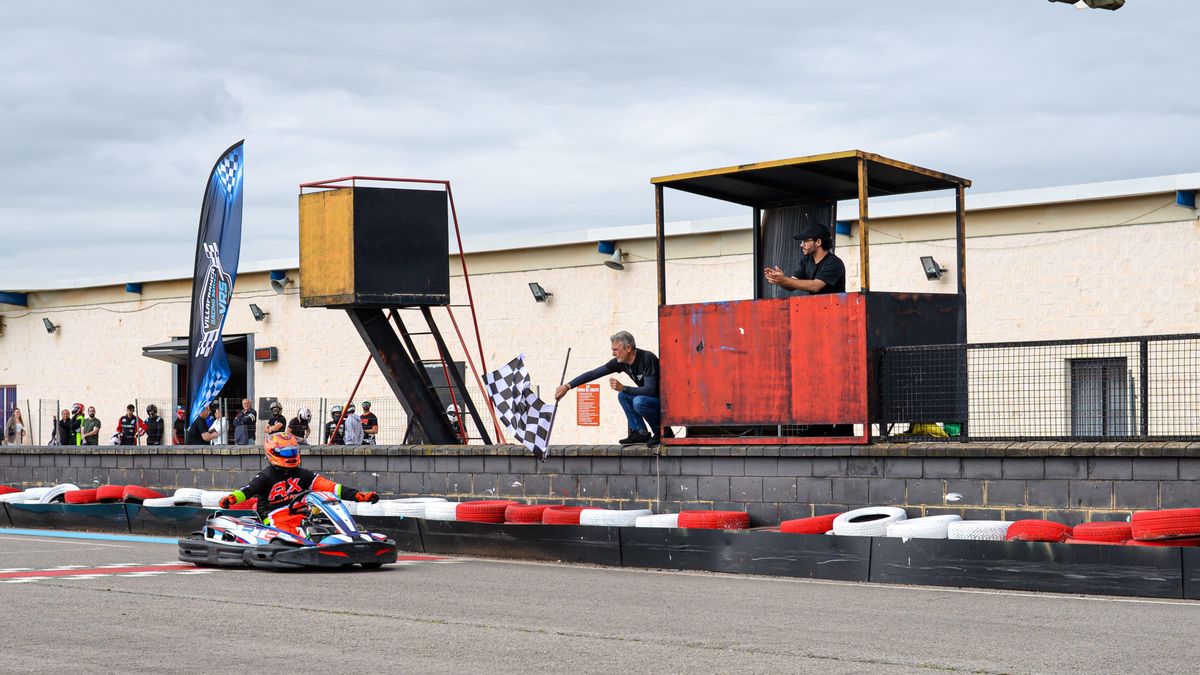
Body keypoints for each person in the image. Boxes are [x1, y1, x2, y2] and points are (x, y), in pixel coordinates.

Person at [217, 432, 378, 536]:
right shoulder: (266, 476)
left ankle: (347, 537)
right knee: (291, 535)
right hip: (273, 518)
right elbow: (247, 490)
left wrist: (358, 496)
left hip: (298, 515)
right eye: (286, 452)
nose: (291, 455)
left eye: (293, 451)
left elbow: (331, 487)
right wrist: (231, 499)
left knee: (324, 526)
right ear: (273, 453)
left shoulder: (303, 474)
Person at [554, 330, 665, 447]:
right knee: (623, 396)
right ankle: (640, 432)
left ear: (628, 348)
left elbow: (650, 390)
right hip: (650, 400)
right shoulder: (620, 362)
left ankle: (662, 432)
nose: (613, 354)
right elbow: (594, 373)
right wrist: (568, 386)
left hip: (664, 403)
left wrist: (623, 387)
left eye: (616, 350)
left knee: (638, 401)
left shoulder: (647, 358)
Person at [762, 222, 846, 296]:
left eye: (805, 241)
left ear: (818, 242)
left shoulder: (834, 263)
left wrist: (784, 280)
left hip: (835, 311)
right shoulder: (806, 261)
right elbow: (791, 285)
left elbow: (815, 286)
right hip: (815, 311)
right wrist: (779, 280)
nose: (801, 245)